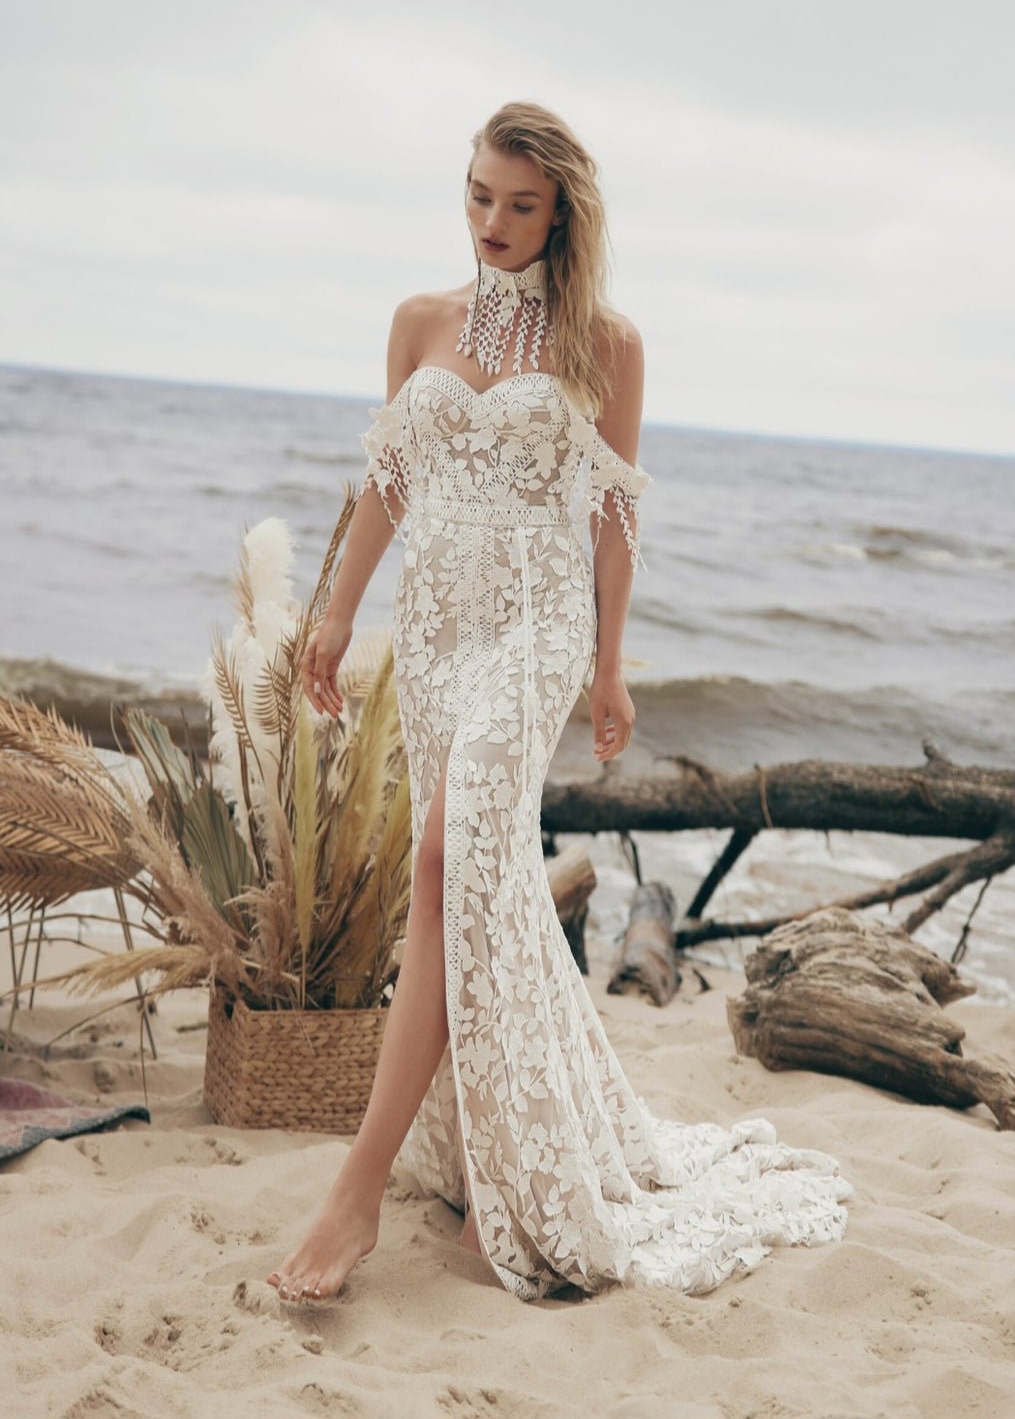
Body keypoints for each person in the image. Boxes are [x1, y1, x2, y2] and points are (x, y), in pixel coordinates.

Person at [267, 103, 849, 1304]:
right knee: (468, 883)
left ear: (564, 212)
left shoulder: (607, 344)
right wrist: (334, 614)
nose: (492, 222)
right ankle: (498, 1150)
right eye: (478, 195)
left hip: (535, 626)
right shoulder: (418, 321)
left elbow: (615, 519)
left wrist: (612, 664)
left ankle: (359, 1185)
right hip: (434, 630)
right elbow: (389, 476)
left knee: (444, 851)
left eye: (519, 205)